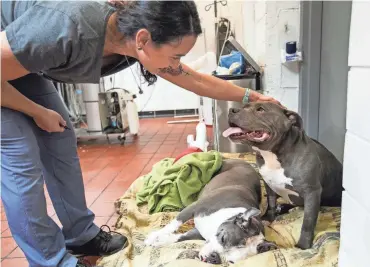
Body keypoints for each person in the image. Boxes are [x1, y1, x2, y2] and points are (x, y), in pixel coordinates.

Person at [1, 1, 281, 267]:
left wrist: (250, 95)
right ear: (143, 39)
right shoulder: (66, 27)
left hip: (20, 61)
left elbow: (192, 79)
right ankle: (50, 260)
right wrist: (37, 111)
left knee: (60, 135)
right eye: (176, 56)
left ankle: (80, 234)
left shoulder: (134, 38)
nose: (177, 63)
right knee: (21, 159)